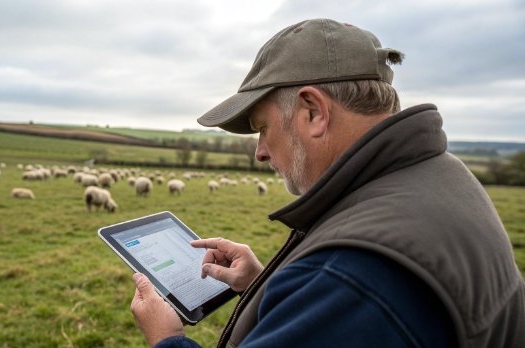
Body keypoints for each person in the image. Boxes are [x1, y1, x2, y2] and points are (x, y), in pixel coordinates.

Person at [129, 18, 525, 348]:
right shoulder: (437, 175)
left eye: (264, 129)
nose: (260, 153)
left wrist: (167, 339)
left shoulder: (354, 274)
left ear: (314, 111)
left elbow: (355, 291)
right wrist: (265, 285)